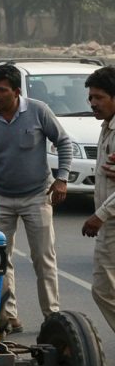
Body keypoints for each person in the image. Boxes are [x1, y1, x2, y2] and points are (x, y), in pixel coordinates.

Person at [0, 64, 72, 335]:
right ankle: (10, 315)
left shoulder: (38, 110)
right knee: (1, 259)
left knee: (44, 258)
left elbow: (63, 142)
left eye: (1, 90)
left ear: (16, 92)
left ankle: (52, 316)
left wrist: (62, 178)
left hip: (37, 195)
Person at [81, 66, 115, 333]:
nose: (93, 103)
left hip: (111, 223)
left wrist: (99, 216)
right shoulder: (107, 126)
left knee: (103, 289)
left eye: (99, 97)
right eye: (91, 97)